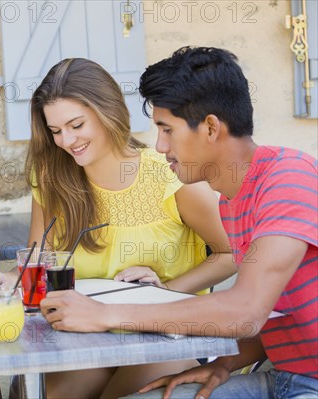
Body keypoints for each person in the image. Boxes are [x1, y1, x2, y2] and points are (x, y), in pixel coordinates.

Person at [42, 47, 318, 399]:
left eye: (167, 130)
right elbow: (279, 310)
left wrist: (105, 314)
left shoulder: (288, 177)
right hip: (284, 377)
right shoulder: (234, 200)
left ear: (211, 128)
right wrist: (226, 363)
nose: (159, 146)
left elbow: (245, 310)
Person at [26, 58, 237, 398]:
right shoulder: (52, 180)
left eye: (77, 124)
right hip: (88, 333)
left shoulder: (169, 173)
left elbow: (233, 253)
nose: (66, 140)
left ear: (107, 112)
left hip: (167, 332)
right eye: (55, 131)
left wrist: (165, 289)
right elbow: (35, 267)